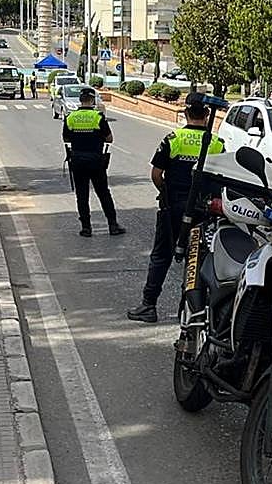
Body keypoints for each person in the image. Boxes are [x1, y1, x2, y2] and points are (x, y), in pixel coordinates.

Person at [127, 97, 224, 323]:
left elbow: (156, 175)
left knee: (161, 256)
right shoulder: (217, 143)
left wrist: (167, 192)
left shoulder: (173, 139)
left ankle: (149, 306)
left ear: (186, 114)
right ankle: (190, 308)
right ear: (207, 116)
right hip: (204, 209)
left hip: (174, 206)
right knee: (198, 258)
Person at [62, 88, 124, 238]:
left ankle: (86, 228)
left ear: (80, 100)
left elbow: (66, 138)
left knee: (82, 195)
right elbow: (109, 139)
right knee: (103, 193)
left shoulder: (70, 117)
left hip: (77, 161)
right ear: (92, 101)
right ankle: (113, 225)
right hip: (96, 161)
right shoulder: (98, 117)